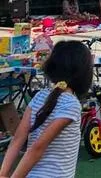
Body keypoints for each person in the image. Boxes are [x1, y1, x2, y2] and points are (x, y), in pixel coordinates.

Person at [0, 40, 91, 178]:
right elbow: (38, 147)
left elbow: (18, 138)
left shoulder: (39, 97)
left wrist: (4, 173)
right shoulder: (72, 105)